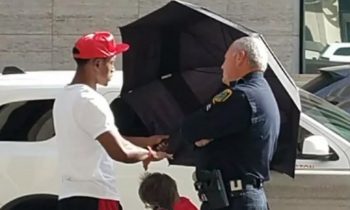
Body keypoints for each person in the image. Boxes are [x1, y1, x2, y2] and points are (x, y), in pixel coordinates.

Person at [53, 31, 170, 210]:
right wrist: (148, 154)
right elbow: (120, 152)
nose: (114, 69)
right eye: (112, 62)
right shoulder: (91, 100)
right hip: (96, 196)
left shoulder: (64, 97)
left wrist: (147, 142)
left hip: (70, 196)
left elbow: (107, 139)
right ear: (97, 63)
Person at [174, 36, 280, 210]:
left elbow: (190, 129)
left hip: (234, 199)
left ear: (240, 57)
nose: (222, 66)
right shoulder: (262, 92)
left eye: (225, 59)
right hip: (240, 197)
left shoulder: (240, 96)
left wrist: (205, 135)